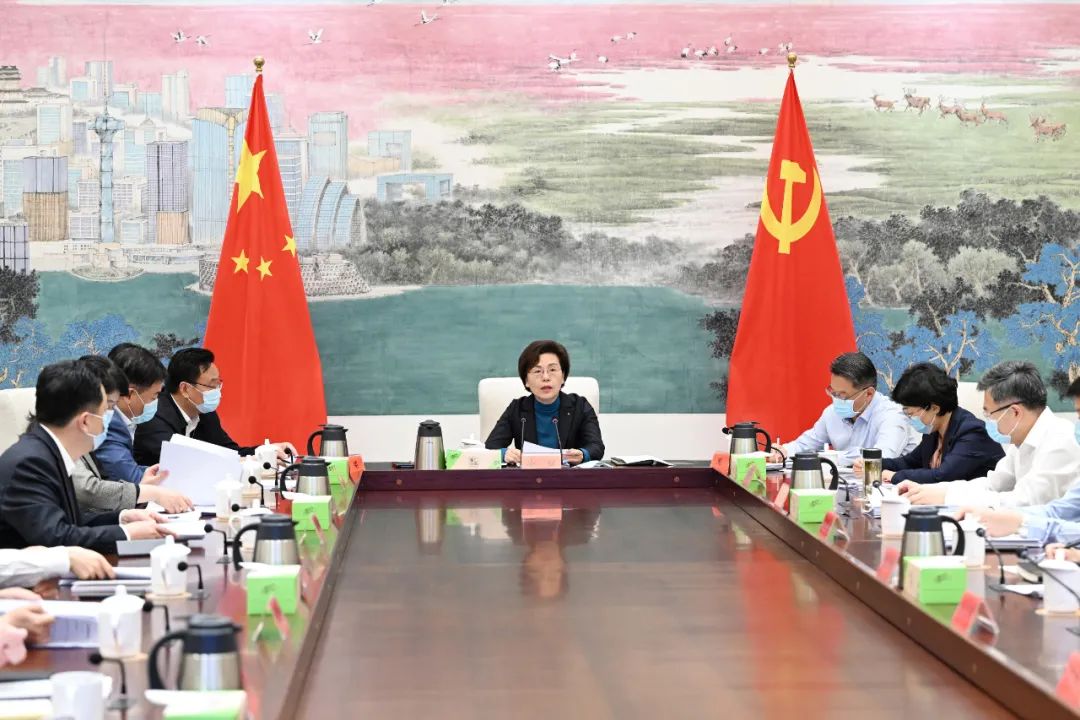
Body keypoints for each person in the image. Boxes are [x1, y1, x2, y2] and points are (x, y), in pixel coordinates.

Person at [0, 360, 171, 552]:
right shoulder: (31, 463)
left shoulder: (48, 451)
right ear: (85, 421)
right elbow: (55, 537)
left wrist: (122, 518)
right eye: (105, 412)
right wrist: (127, 534)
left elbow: (69, 520)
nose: (108, 423)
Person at [898, 361, 1080, 507]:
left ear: (1015, 412)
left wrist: (946, 498)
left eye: (989, 413)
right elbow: (992, 484)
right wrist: (934, 491)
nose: (987, 420)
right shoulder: (1021, 442)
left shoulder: (1060, 441)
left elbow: (1023, 502)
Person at [133, 347, 294, 465]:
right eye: (212, 385)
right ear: (185, 389)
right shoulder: (154, 416)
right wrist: (253, 460)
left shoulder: (204, 412)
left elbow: (230, 452)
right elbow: (186, 462)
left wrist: (265, 451)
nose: (217, 391)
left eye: (219, 384)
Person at [75, 355, 192, 514]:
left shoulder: (79, 439)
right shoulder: (56, 442)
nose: (109, 414)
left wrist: (123, 519)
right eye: (108, 406)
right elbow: (89, 490)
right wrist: (148, 492)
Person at [853, 363, 1004, 484]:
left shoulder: (972, 432)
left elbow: (943, 475)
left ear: (934, 408)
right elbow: (909, 462)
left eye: (911, 413)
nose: (909, 418)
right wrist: (873, 464)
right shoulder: (933, 431)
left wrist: (894, 476)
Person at [769, 352, 913, 467]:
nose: (836, 400)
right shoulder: (832, 413)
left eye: (843, 395)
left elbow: (882, 458)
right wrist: (783, 451)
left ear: (868, 394)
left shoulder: (892, 416)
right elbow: (805, 444)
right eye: (833, 392)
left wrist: (830, 457)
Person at [484, 340, 604, 465]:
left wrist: (583, 454)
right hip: (529, 476)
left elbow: (596, 447)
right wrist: (504, 453)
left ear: (563, 376)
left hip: (569, 476)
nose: (546, 377)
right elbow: (490, 447)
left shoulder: (580, 406)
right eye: (537, 371)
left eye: (552, 369)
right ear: (526, 381)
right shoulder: (517, 409)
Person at [95, 343, 167, 484]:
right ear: (129, 395)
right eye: (154, 396)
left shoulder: (124, 420)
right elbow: (131, 479)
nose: (156, 402)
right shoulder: (109, 423)